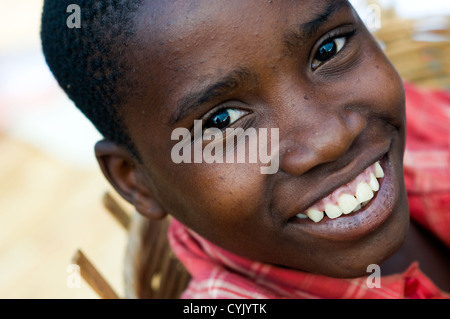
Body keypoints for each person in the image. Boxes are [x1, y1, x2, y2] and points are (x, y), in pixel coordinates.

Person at [41, 0, 450, 298]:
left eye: (329, 49)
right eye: (223, 121)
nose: (330, 140)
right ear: (138, 183)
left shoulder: (428, 122)